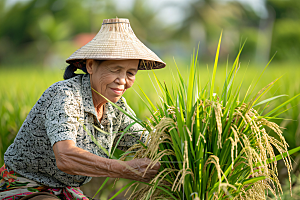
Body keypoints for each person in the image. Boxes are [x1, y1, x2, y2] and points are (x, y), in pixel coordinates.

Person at [1, 18, 165, 200]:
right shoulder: (66, 95)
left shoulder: (117, 109)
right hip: (26, 187)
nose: (122, 80)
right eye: (114, 70)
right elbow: (65, 157)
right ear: (90, 66)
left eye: (130, 73)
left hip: (67, 191)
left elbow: (150, 141)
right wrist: (122, 168)